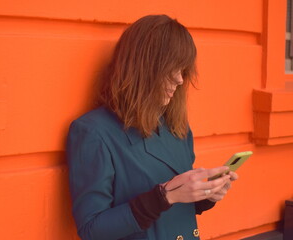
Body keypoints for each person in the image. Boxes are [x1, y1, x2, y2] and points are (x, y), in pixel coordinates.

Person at [66, 14, 238, 240]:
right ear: (144, 68)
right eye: (172, 69)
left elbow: (174, 209)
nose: (179, 80)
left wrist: (204, 195)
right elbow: (92, 230)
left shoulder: (178, 128)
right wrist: (164, 196)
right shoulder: (93, 132)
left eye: (183, 70)